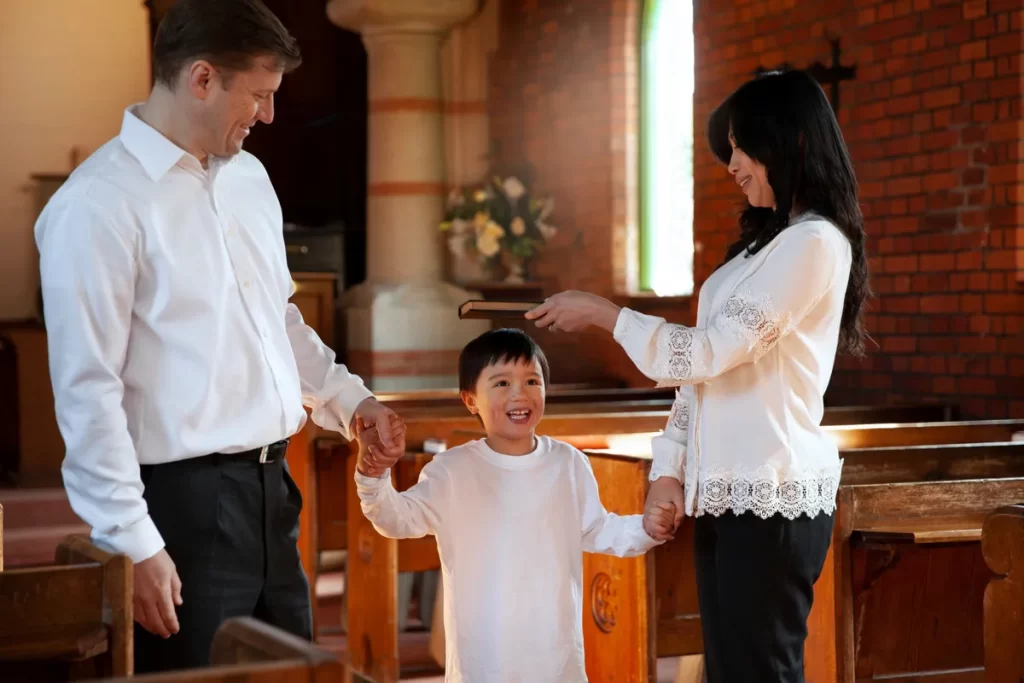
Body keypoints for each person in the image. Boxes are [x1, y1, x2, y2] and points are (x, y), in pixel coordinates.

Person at [34, 0, 403, 672]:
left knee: (291, 674)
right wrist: (133, 540)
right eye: (259, 94)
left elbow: (276, 319)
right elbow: (88, 391)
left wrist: (350, 402)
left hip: (271, 493)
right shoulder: (97, 206)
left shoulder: (250, 179)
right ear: (202, 79)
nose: (269, 115)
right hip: (178, 508)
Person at [525, 69, 869, 682]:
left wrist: (607, 316)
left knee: (760, 673)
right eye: (728, 149)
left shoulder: (814, 243)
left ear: (787, 141)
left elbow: (705, 353)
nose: (731, 164)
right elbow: (698, 385)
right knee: (730, 672)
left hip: (773, 495)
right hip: (725, 496)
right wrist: (668, 471)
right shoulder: (762, 247)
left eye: (742, 147)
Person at [353, 328, 676, 682]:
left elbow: (598, 529)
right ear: (470, 400)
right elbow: (398, 520)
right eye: (502, 383)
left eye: (532, 381)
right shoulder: (452, 470)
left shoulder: (568, 463)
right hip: (483, 657)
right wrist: (374, 479)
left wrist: (646, 528)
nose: (519, 394)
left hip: (554, 653)